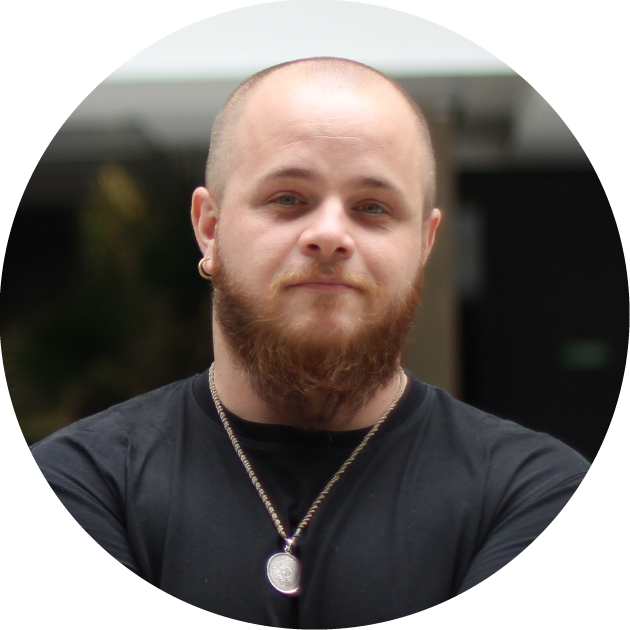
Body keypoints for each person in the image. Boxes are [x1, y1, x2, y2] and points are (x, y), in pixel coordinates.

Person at [30, 58, 589, 626]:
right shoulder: (84, 482)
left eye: (372, 207)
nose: (329, 234)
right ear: (210, 228)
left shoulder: (532, 493)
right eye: (288, 199)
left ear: (424, 244)